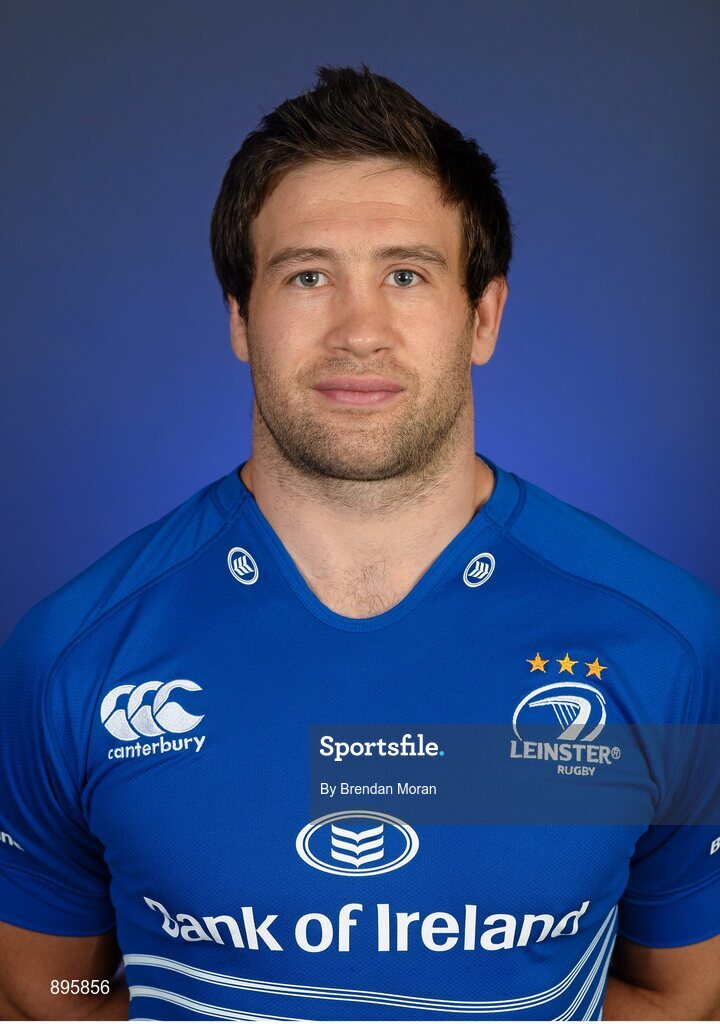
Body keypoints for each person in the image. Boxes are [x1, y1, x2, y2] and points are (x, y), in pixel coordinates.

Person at [0, 63, 718, 1022]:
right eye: (307, 276)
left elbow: (683, 992)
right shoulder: (71, 659)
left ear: (484, 318)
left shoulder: (667, 647)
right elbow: (49, 986)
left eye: (406, 275)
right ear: (241, 321)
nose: (359, 330)